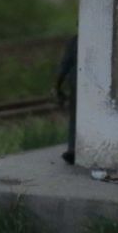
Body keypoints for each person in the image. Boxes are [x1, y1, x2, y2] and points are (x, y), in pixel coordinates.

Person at [54, 34, 77, 164]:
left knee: (75, 116)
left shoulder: (75, 41)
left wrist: (57, 86)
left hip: (76, 82)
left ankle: (73, 148)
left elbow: (65, 64)